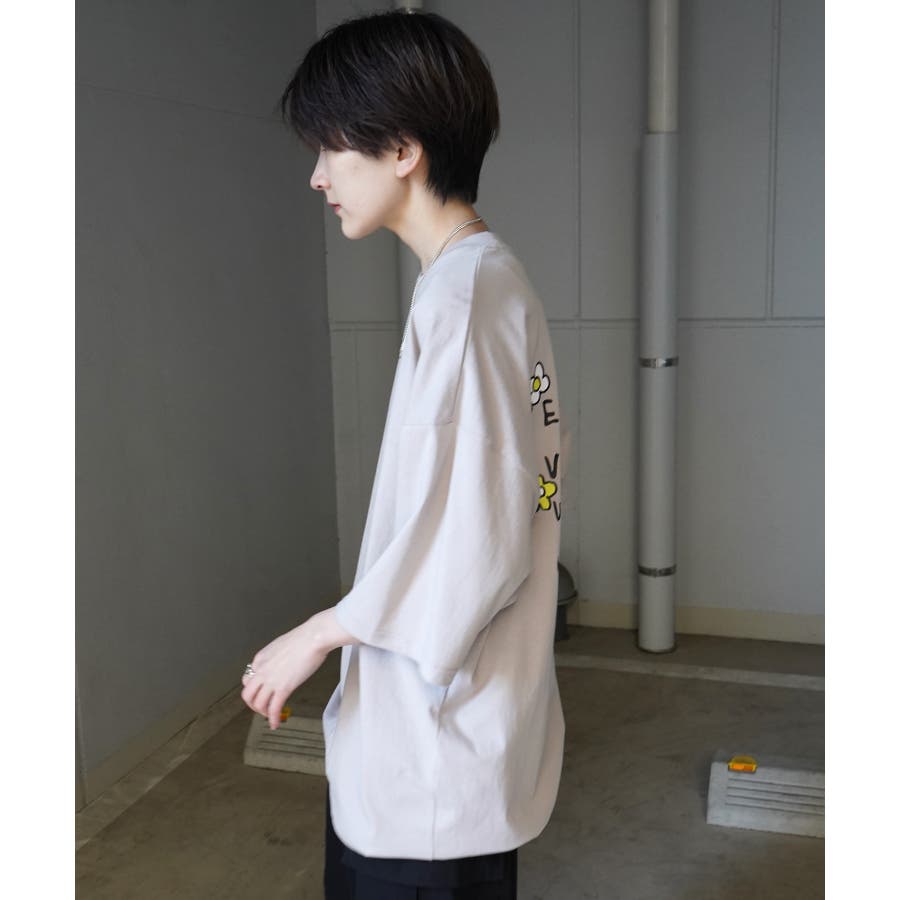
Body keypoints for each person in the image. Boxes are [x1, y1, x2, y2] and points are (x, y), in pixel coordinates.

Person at [240, 9, 569, 898]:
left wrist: (318, 633)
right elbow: (527, 495)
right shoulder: (491, 282)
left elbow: (472, 547)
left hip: (432, 756)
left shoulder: (462, 302)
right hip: (465, 737)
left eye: (331, 147)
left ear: (401, 150)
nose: (317, 175)